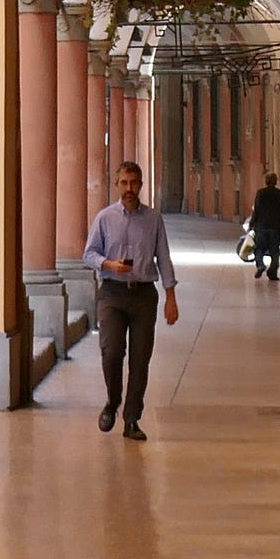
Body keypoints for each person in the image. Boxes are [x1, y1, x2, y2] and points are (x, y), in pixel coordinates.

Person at [82, 160, 179, 442]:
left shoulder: (153, 219)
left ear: (141, 185)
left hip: (144, 295)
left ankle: (132, 418)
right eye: (124, 183)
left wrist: (171, 297)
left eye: (134, 183)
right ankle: (113, 402)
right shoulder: (104, 218)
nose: (129, 188)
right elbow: (88, 254)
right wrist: (109, 264)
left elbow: (164, 258)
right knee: (111, 352)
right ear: (116, 185)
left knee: (140, 360)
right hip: (112, 293)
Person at [249, 172, 280, 282]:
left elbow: (257, 210)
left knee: (259, 248)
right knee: (275, 251)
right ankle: (272, 273)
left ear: (266, 181)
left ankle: (260, 265)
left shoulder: (260, 193)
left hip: (261, 227)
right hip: (275, 227)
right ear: (276, 181)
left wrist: (251, 223)